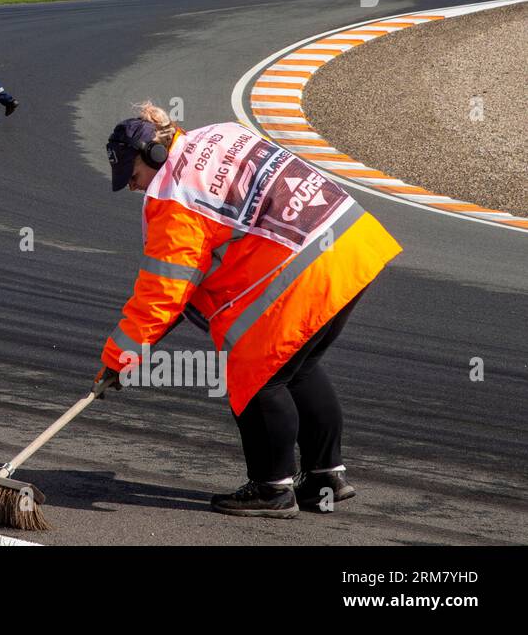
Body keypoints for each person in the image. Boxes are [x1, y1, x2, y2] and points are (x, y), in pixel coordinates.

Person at [97, 102, 402, 517]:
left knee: (255, 376)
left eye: (132, 177)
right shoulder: (221, 133)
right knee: (299, 368)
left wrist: (120, 357)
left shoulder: (173, 194)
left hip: (305, 272)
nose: (133, 188)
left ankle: (272, 489)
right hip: (352, 244)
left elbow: (163, 291)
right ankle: (324, 477)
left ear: (154, 156)